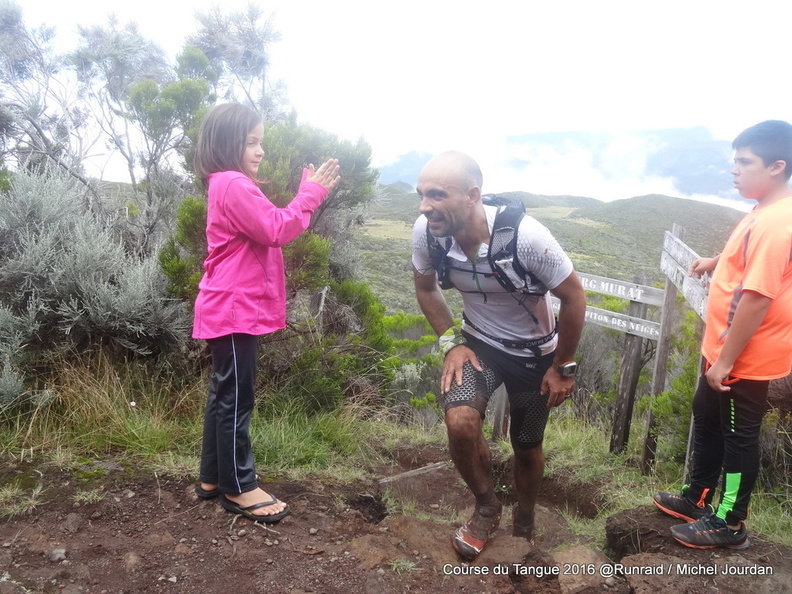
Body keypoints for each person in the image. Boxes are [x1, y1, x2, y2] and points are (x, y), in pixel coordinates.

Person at [411, 151, 586, 559]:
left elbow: (574, 297)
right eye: (420, 194)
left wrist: (562, 367)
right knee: (460, 422)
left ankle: (524, 520)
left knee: (526, 445)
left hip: (534, 355)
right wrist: (451, 342)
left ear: (472, 195)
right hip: (479, 345)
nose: (424, 207)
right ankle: (487, 507)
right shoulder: (427, 233)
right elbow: (425, 287)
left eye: (437, 195)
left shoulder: (527, 237)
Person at [191, 103, 341, 523]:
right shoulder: (233, 182)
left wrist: (305, 196)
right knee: (236, 396)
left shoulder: (226, 183)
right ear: (227, 143)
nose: (259, 151)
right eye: (251, 142)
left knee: (225, 391)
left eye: (261, 142)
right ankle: (238, 487)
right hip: (234, 307)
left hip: (228, 305)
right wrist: (311, 194)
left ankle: (212, 477)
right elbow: (276, 228)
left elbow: (271, 224)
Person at [653, 120, 792, 549]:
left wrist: (727, 361)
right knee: (707, 415)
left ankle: (730, 523)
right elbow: (747, 255)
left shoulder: (777, 222)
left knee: (738, 437)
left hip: (744, 355)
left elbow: (757, 297)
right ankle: (696, 498)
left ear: (777, 167)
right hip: (724, 348)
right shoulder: (764, 209)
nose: (734, 170)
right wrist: (716, 261)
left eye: (744, 162)